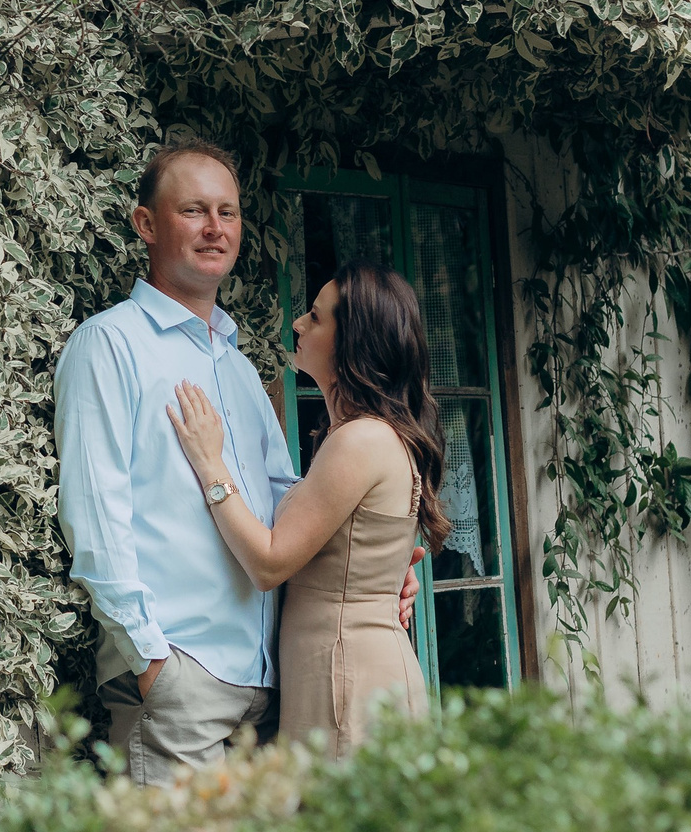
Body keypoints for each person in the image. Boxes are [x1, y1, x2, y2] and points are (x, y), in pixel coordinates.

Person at [55, 140, 417, 785]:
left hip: (268, 692)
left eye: (228, 212)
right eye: (194, 210)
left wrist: (369, 569)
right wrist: (151, 661)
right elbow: (95, 516)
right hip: (181, 681)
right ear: (146, 224)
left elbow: (287, 506)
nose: (215, 228)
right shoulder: (109, 345)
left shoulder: (241, 369)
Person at [165, 260, 446, 757]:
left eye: (315, 317)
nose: (297, 324)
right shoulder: (362, 434)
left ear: (352, 342)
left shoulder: (361, 440)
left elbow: (270, 562)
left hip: (347, 681)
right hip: (339, 670)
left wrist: (211, 464)